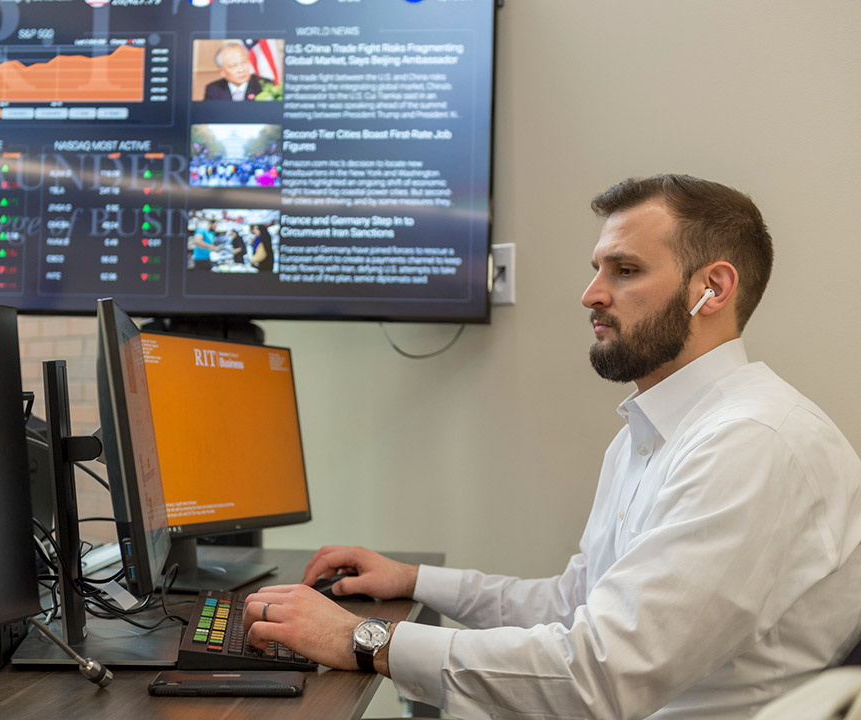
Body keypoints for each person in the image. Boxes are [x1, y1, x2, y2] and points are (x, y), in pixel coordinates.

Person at [241, 174, 861, 719]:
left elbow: (600, 677)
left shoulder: (751, 444)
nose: (591, 294)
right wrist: (415, 579)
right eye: (598, 269)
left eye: (625, 270)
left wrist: (364, 639)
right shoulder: (647, 437)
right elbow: (572, 605)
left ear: (713, 289)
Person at [203, 42, 273, 101]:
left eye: (243, 62)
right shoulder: (213, 90)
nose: (241, 70)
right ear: (222, 72)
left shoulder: (265, 85)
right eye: (233, 66)